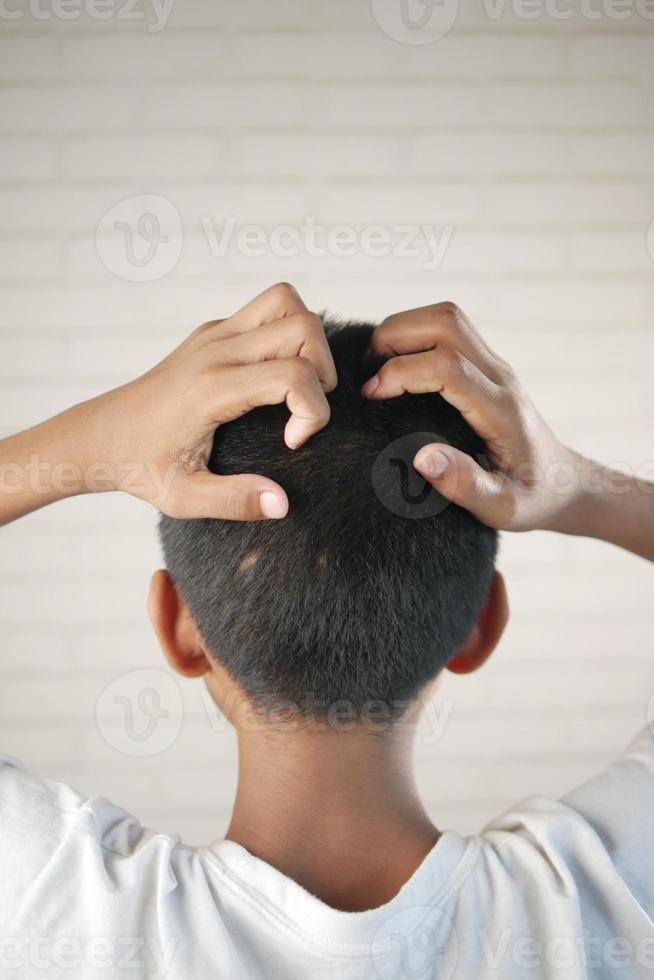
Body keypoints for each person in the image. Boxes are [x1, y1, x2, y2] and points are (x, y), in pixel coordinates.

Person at [0, 282, 652, 979]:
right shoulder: (596, 902)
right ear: (481, 622)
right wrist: (577, 491)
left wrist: (90, 441)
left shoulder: (63, 914)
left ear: (175, 624)